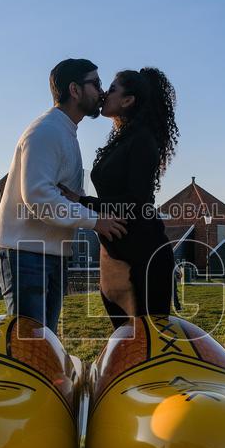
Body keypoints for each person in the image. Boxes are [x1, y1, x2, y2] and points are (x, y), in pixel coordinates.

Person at [0, 59, 127, 334]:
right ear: (74, 90)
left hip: (50, 254)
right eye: (96, 84)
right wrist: (95, 221)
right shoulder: (46, 131)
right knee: (31, 346)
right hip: (25, 254)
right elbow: (39, 198)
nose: (102, 92)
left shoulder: (66, 133)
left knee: (45, 343)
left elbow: (67, 196)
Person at [60, 67, 180, 330]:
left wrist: (82, 201)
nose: (104, 93)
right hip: (115, 257)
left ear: (128, 101)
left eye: (112, 89)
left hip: (143, 259)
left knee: (145, 344)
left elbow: (136, 202)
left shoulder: (142, 140)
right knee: (125, 343)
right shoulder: (122, 139)